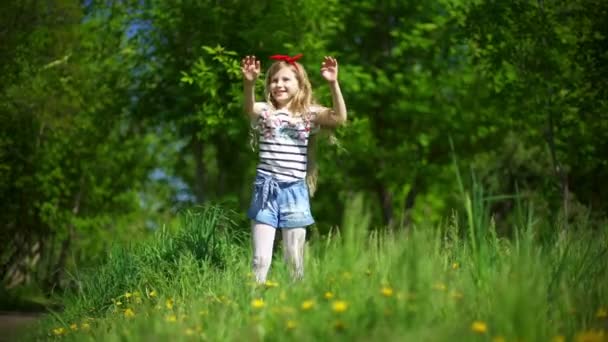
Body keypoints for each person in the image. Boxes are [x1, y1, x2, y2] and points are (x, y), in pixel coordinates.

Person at [241, 53, 347, 284]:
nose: (278, 84)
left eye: (286, 80)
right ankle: (251, 306)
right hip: (265, 189)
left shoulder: (309, 113)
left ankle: (296, 307)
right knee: (260, 259)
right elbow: (249, 109)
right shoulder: (266, 111)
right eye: (274, 80)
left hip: (294, 192)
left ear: (300, 85)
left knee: (294, 261)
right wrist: (249, 84)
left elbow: (339, 118)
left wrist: (333, 83)